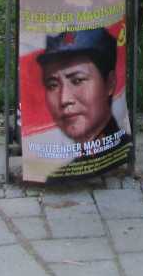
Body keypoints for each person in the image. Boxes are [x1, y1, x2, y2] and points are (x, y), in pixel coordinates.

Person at [36, 27, 131, 179]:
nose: (64, 99)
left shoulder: (123, 145)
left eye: (78, 80)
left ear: (110, 83)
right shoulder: (62, 172)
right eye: (53, 85)